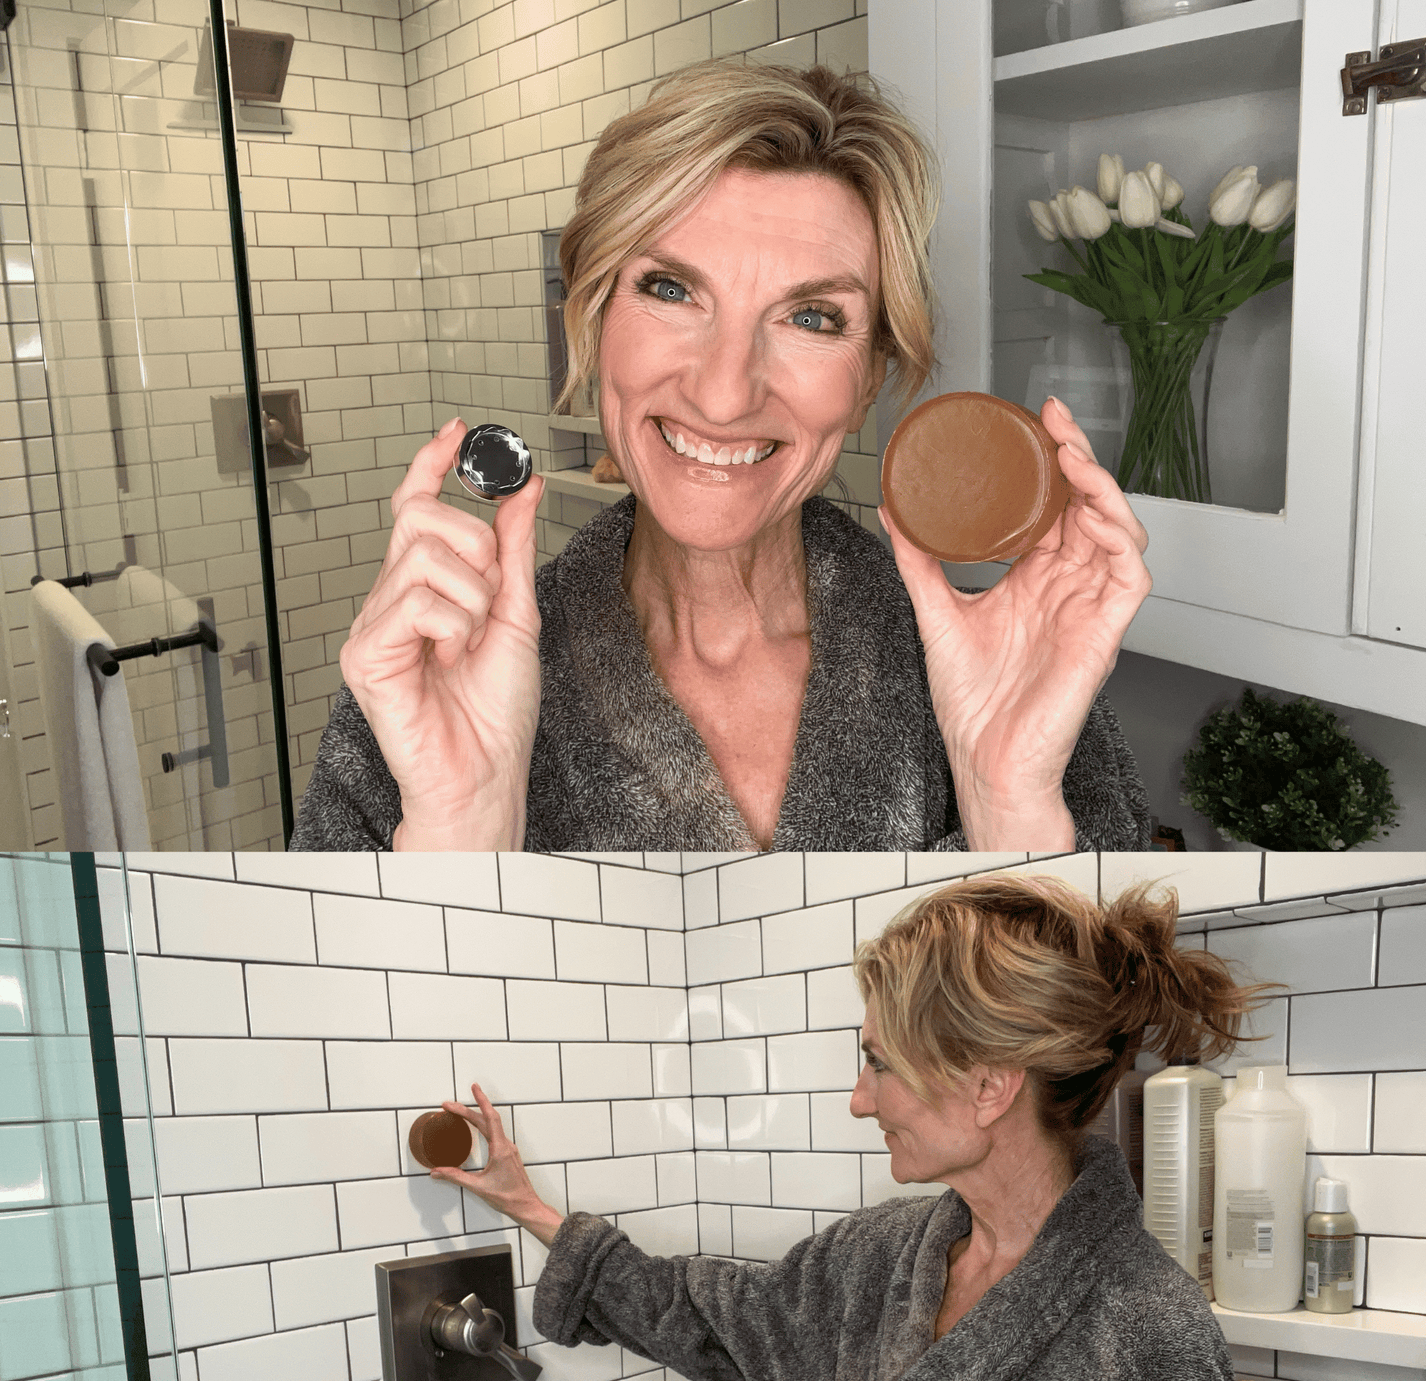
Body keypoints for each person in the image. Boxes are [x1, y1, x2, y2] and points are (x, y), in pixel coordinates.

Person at [291, 60, 1154, 853]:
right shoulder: (426, 682)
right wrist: (462, 828)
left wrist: (1007, 804)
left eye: (810, 317)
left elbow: (1114, 1017)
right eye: (670, 289)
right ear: (589, 323)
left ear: (867, 380)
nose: (724, 393)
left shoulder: (994, 671)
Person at [428, 874, 1266, 1381]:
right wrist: (527, 1205)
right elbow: (709, 1315)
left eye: (881, 1063)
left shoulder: (1147, 1326)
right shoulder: (878, 1258)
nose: (860, 1100)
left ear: (988, 1087)